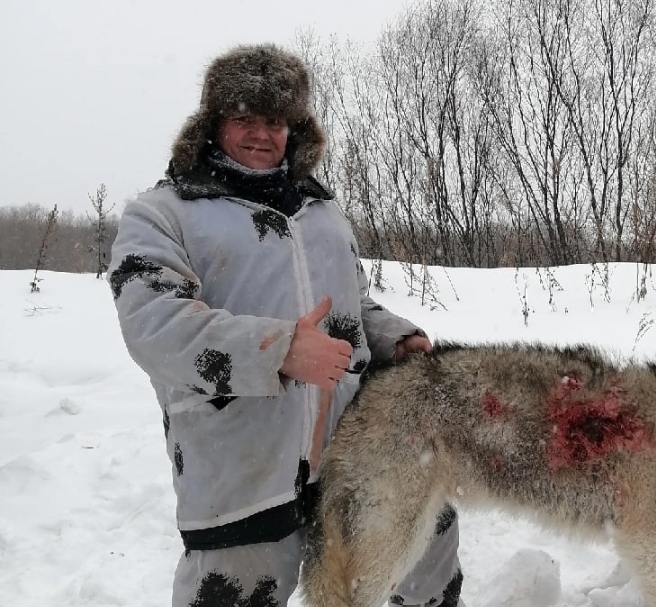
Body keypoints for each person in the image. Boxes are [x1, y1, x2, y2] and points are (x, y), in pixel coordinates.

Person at [108, 44, 464, 607]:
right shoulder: (164, 213)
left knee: (426, 563)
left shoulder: (320, 213)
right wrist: (278, 351)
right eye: (244, 118)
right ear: (212, 123)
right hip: (241, 466)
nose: (261, 134)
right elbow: (157, 325)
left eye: (275, 120)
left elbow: (354, 304)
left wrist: (396, 339)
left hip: (354, 448)